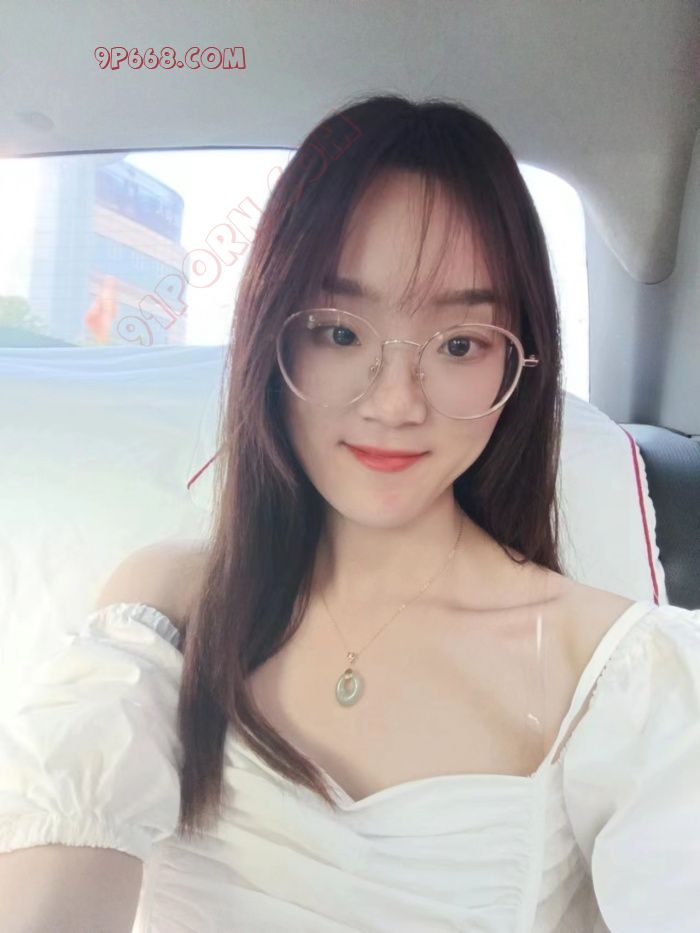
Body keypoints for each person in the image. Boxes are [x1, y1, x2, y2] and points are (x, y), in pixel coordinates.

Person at [1, 93, 699, 933]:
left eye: (459, 344)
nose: (395, 402)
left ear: (520, 366)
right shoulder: (173, 606)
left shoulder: (617, 670)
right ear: (273, 339)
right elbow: (56, 875)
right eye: (339, 333)